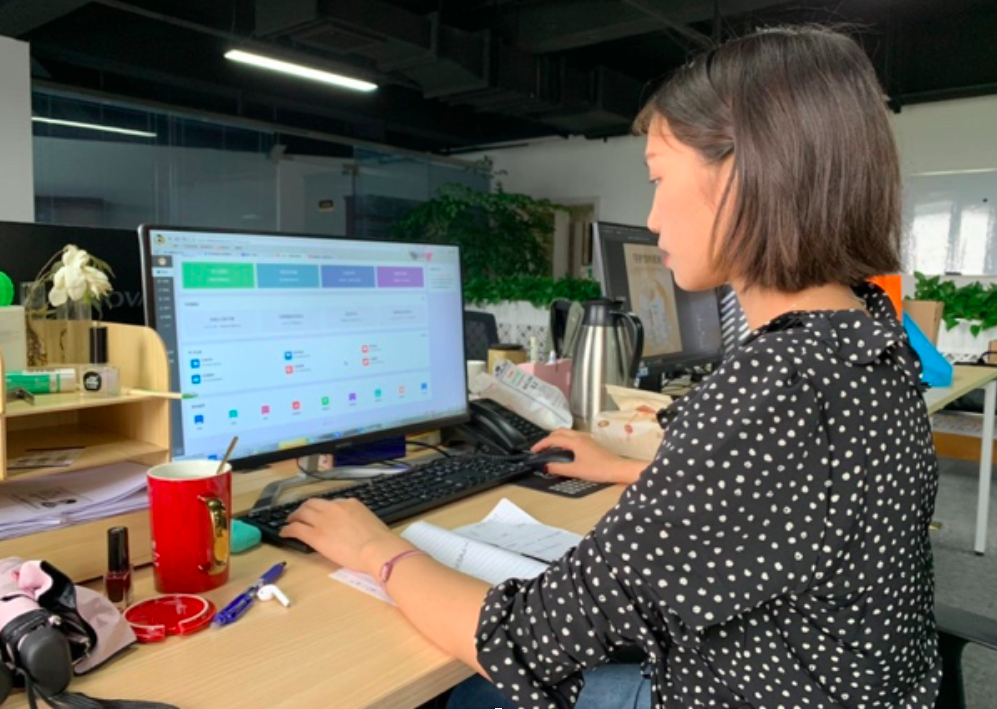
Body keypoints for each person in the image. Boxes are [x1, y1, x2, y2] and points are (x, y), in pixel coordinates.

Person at [281, 25, 942, 708]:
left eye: (658, 177)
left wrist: (374, 550)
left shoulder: (777, 383)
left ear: (745, 172)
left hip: (753, 692)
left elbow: (524, 640)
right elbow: (807, 500)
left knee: (471, 691)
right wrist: (629, 469)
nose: (651, 218)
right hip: (866, 688)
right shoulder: (867, 336)